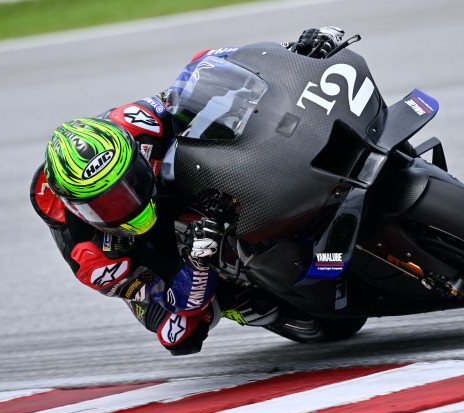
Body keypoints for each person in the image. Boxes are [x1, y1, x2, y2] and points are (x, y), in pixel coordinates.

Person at [29, 27, 345, 356]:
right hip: (144, 252)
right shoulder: (94, 259)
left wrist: (295, 51)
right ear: (81, 210)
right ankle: (241, 299)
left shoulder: (135, 125)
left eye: (130, 182)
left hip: (173, 183)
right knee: (180, 333)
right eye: (109, 204)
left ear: (134, 153)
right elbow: (174, 302)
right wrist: (196, 262)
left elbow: (202, 74)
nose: (130, 200)